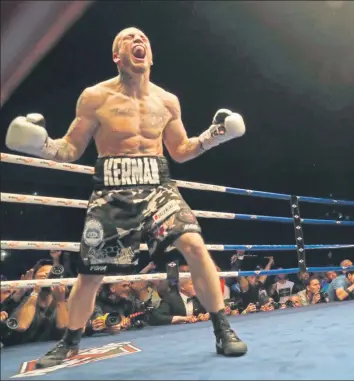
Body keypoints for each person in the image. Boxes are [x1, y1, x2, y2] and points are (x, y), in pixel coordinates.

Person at [5, 27, 247, 367]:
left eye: (144, 39)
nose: (139, 40)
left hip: (158, 185)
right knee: (91, 273)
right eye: (128, 38)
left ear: (151, 56)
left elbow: (180, 151)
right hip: (112, 190)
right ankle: (69, 342)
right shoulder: (95, 97)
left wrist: (213, 136)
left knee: (194, 244)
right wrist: (41, 145)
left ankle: (223, 330)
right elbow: (71, 148)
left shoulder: (167, 101)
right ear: (116, 55)